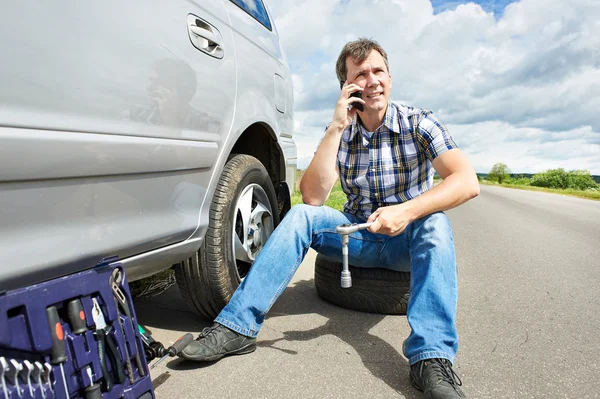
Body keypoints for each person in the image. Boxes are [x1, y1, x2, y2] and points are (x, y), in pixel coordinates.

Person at [180, 38, 480, 399]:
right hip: (358, 238)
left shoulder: (418, 121)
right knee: (303, 215)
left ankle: (430, 359)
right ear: (347, 87)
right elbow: (313, 196)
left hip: (405, 237)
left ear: (389, 76)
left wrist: (407, 211)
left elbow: (466, 181)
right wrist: (336, 128)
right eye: (361, 75)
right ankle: (237, 327)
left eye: (378, 71)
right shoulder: (343, 130)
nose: (372, 81)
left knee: (435, 224)